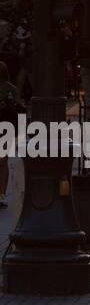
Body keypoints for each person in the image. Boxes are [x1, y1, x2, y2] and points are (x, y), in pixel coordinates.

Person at [0, 61, 21, 209]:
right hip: (6, 127)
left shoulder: (12, 90)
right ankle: (1, 194)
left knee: (2, 161)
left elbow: (15, 107)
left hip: (5, 125)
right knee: (3, 161)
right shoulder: (12, 89)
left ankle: (1, 194)